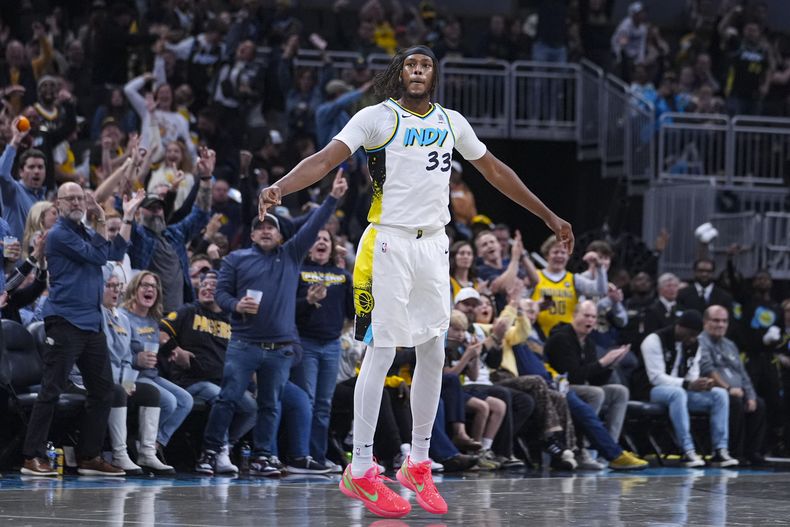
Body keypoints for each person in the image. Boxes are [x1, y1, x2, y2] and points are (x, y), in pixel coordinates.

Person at [258, 45, 573, 518]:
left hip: (434, 243)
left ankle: (418, 463)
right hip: (387, 242)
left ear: (435, 75)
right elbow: (326, 159)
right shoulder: (376, 118)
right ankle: (361, 469)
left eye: (426, 65)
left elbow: (495, 171)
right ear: (400, 73)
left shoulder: (451, 122)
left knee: (433, 349)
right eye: (411, 64)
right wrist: (280, 186)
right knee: (382, 351)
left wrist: (547, 214)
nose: (419, 71)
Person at [196, 172, 347, 477]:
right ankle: (209, 451)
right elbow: (222, 293)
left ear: (280, 235)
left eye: (271, 227)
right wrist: (236, 304)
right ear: (251, 235)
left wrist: (333, 198)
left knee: (270, 404)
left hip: (279, 348)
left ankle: (263, 456)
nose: (265, 231)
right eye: (259, 227)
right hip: (244, 343)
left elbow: (314, 225)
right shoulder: (235, 259)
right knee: (227, 399)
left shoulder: (291, 254)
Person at [20, 182, 128, 476]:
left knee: (104, 390)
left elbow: (113, 251)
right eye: (71, 198)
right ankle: (32, 455)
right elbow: (97, 256)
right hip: (65, 321)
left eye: (81, 198)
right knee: (51, 390)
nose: (78, 202)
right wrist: (102, 221)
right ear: (59, 203)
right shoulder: (57, 235)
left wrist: (115, 219)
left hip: (92, 323)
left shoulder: (84, 232)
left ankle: (89, 456)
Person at [639, 310, 739, 468]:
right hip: (651, 391)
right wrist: (687, 384)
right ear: (679, 327)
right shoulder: (654, 340)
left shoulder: (695, 344)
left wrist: (702, 384)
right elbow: (656, 378)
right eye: (690, 334)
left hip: (681, 392)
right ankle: (687, 450)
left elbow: (692, 375)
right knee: (677, 393)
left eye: (696, 335)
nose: (692, 339)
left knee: (719, 394)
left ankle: (720, 450)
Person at [292, 228, 355, 471]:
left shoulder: (342, 275)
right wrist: (307, 301)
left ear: (332, 246)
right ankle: (301, 454)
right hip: (305, 343)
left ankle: (317, 457)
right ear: (308, 246)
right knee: (306, 401)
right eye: (316, 239)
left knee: (323, 404)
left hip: (331, 345)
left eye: (325, 239)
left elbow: (352, 312)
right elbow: (289, 309)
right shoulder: (299, 272)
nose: (321, 242)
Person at [545, 301, 631, 446]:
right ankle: (582, 446)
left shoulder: (589, 342)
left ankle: (610, 446)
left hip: (581, 387)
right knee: (596, 393)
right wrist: (602, 362)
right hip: (560, 388)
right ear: (574, 315)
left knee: (620, 391)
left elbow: (595, 380)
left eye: (593, 317)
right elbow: (573, 376)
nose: (590, 320)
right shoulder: (560, 338)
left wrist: (612, 364)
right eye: (586, 315)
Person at [698, 305, 766, 464]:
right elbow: (708, 369)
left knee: (759, 404)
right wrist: (728, 388)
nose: (720, 325)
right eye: (716, 320)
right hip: (713, 390)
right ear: (705, 322)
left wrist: (751, 396)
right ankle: (734, 452)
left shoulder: (730, 344)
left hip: (737, 390)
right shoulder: (700, 341)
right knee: (733, 402)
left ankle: (752, 452)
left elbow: (743, 373)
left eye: (724, 321)